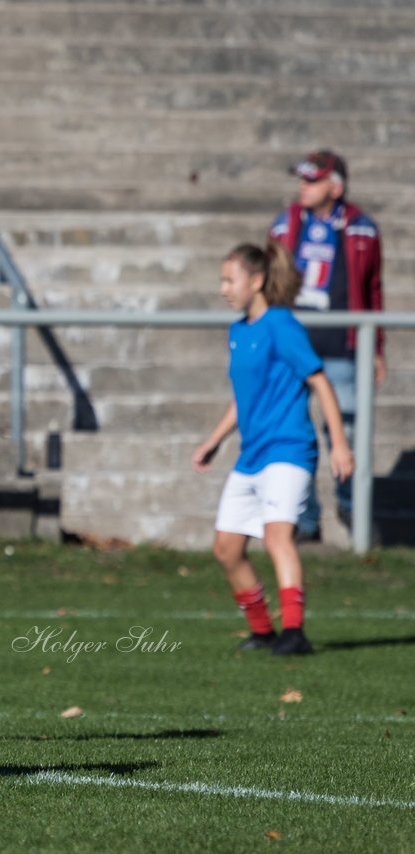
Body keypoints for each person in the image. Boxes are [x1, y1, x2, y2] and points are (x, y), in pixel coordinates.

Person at [191, 241, 354, 656]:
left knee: (276, 536)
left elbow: (319, 381)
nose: (224, 288)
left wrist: (339, 444)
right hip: (252, 455)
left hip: (289, 449)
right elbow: (244, 398)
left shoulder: (282, 326)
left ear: (257, 280)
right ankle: (263, 632)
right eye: (222, 280)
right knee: (226, 548)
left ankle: (294, 633)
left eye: (231, 280)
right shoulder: (238, 331)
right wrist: (214, 440)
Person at [269, 149, 383, 534]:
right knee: (293, 431)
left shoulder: (362, 228)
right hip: (293, 345)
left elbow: (373, 290)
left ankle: (352, 506)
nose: (303, 187)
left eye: (312, 180)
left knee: (346, 430)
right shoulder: (284, 224)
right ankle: (304, 519)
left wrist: (377, 348)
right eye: (301, 179)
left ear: (335, 186)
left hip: (341, 348)